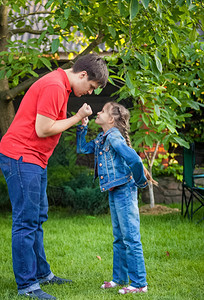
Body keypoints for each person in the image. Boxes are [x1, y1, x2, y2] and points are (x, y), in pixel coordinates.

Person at [0, 53, 108, 300]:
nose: (90, 92)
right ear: (82, 75)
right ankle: (27, 285)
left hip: (35, 158)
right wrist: (78, 117)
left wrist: (76, 121)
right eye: (91, 86)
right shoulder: (54, 86)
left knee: (37, 217)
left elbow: (51, 123)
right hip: (21, 157)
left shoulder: (61, 86)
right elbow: (43, 128)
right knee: (26, 221)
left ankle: (42, 274)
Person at [76, 101, 158, 295]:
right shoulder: (103, 137)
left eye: (102, 110)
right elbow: (82, 148)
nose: (98, 111)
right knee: (119, 238)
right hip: (115, 190)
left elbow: (135, 160)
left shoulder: (113, 136)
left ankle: (139, 284)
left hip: (124, 190)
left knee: (130, 238)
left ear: (111, 119)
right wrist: (83, 127)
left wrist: (139, 183)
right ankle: (119, 278)